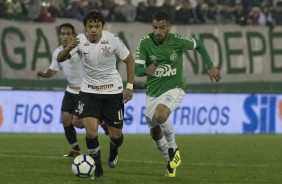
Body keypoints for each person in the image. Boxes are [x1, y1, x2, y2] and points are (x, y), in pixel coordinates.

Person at [135, 11, 221, 177]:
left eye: (162, 28)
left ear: (169, 27)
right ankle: (170, 159)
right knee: (154, 133)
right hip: (153, 92)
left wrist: (210, 66)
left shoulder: (178, 41)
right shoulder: (144, 43)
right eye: (155, 28)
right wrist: (145, 70)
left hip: (175, 87)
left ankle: (174, 148)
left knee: (161, 115)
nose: (158, 32)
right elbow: (137, 70)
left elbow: (200, 45)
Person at [57, 10, 134, 180]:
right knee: (91, 133)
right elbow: (61, 58)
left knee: (117, 136)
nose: (93, 30)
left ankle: (113, 151)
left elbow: (129, 60)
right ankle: (98, 169)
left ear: (102, 27)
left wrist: (129, 87)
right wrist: (69, 48)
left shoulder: (112, 39)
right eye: (90, 26)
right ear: (85, 28)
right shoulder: (80, 40)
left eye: (96, 26)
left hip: (112, 93)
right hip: (89, 92)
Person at [37, 23, 109, 158]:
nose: (65, 37)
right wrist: (44, 74)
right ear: (59, 36)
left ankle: (100, 118)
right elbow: (53, 70)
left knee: (77, 123)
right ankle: (76, 150)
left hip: (84, 92)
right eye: (62, 34)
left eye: (68, 34)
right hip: (70, 90)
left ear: (73, 35)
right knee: (65, 120)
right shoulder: (58, 52)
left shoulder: (80, 49)